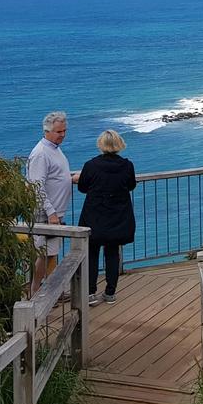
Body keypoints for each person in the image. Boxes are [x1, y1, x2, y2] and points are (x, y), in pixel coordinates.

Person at [77, 129, 136, 306]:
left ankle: (90, 293)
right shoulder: (127, 165)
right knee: (112, 253)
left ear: (101, 145)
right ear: (119, 144)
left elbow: (82, 187)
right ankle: (110, 293)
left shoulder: (91, 165)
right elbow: (131, 185)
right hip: (117, 216)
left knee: (92, 254)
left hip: (94, 215)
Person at [27, 111, 76, 294]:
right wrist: (51, 212)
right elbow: (36, 187)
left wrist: (70, 179)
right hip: (46, 213)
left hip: (55, 211)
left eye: (64, 131)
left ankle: (51, 289)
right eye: (58, 132)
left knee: (51, 253)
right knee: (44, 253)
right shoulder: (41, 153)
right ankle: (37, 291)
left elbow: (55, 176)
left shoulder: (54, 148)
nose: (62, 134)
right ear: (47, 131)